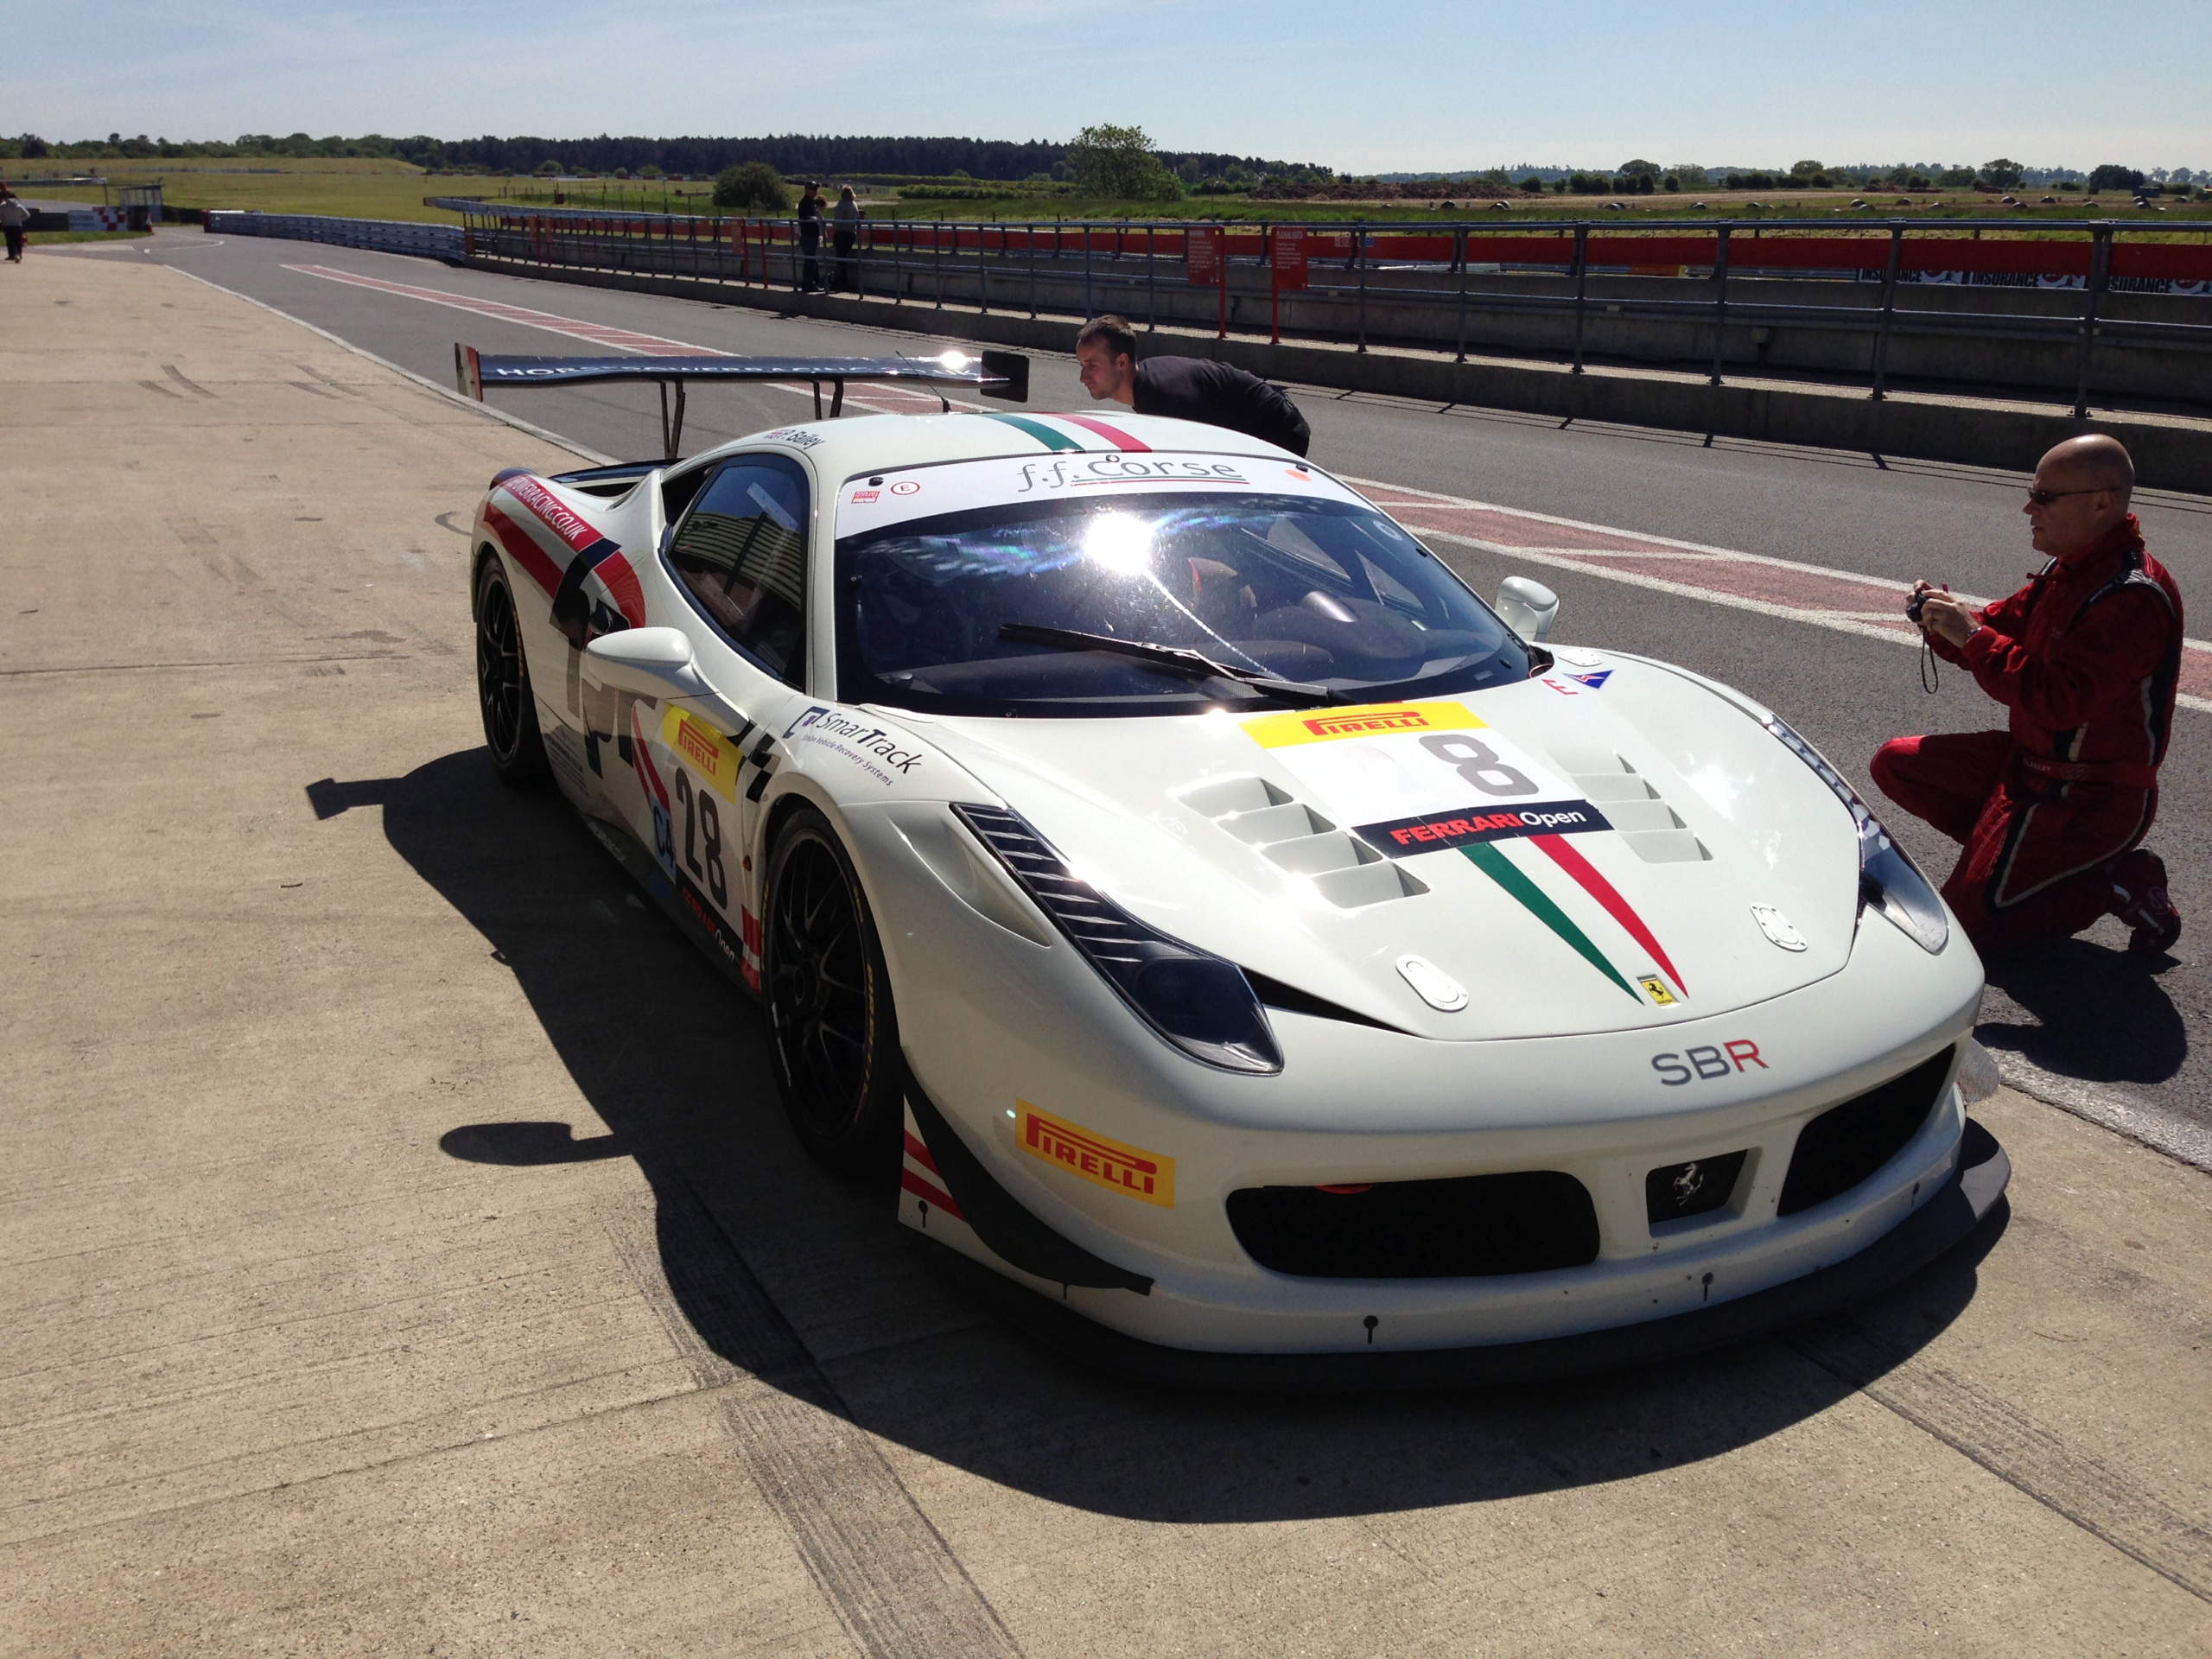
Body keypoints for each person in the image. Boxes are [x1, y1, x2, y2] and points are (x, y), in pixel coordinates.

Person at [1871, 434, 2183, 955]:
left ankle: (2118, 879)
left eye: (2044, 497)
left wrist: (1969, 634)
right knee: (1896, 763)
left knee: (1967, 936)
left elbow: (2055, 701)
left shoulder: (2132, 598)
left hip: (2090, 797)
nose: (2027, 508)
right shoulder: (2068, 567)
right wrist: (1940, 621)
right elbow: (1998, 628)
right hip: (2029, 767)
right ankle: (2008, 867)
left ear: (2102, 503)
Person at [1074, 314, 1311, 455]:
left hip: (1280, 432)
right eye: (1082, 365)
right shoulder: (1146, 387)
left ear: (1122, 362)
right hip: (1251, 432)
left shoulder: (1163, 395)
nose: (1083, 377)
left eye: (1092, 365)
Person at [831, 184, 861, 291]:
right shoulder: (854, 205)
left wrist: (834, 232)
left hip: (842, 233)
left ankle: (842, 281)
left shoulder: (841, 205)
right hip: (851, 233)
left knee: (840, 258)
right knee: (843, 257)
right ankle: (841, 280)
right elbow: (858, 219)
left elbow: (838, 221)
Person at [796, 181, 823, 293]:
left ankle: (811, 282)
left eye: (816, 189)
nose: (815, 191)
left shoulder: (812, 202)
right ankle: (808, 283)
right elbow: (804, 217)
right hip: (808, 236)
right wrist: (814, 219)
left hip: (812, 235)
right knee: (809, 260)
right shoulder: (805, 203)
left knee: (812, 260)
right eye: (813, 189)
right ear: (807, 190)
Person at [0, 190, 29, 264]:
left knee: (10, 241)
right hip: (18, 225)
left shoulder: (3, 206)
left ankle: (12, 255)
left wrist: (2, 221)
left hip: (8, 226)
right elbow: (27, 215)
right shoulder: (19, 206)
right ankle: (19, 254)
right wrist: (20, 219)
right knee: (18, 241)